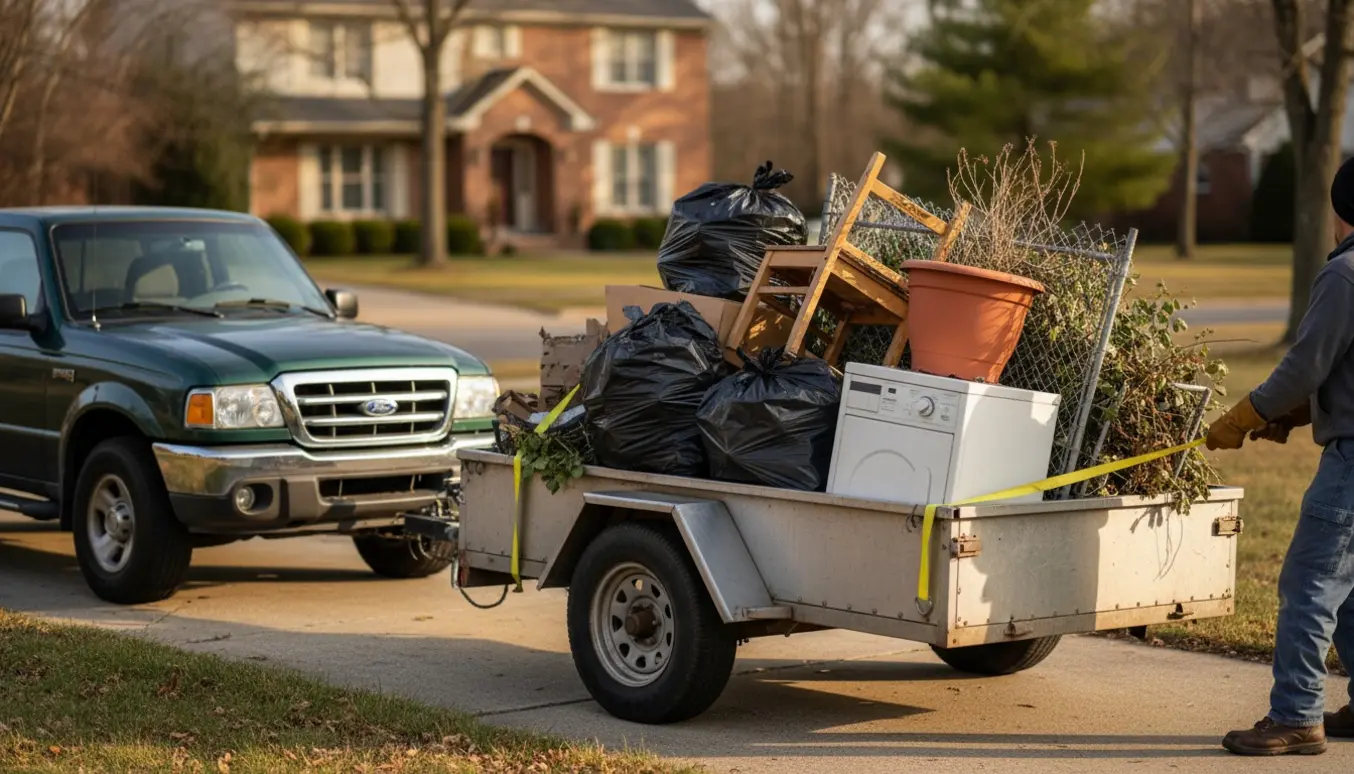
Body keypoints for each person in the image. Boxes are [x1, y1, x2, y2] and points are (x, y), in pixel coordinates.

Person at [1208, 155, 1354, 756]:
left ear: (1340, 211)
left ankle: (1296, 713)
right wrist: (1300, 414)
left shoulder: (1345, 274)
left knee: (1309, 583)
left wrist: (1249, 414)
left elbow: (1305, 365)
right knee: (1349, 590)